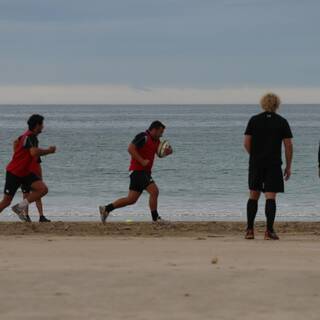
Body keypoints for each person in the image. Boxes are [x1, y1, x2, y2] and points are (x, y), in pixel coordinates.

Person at [99, 120, 173, 223]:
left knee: (131, 199)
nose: (161, 135)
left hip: (144, 172)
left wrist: (168, 152)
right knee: (154, 191)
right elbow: (130, 148)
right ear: (154, 130)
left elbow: (159, 153)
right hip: (138, 171)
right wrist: (142, 161)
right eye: (160, 132)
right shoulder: (143, 136)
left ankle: (106, 209)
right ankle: (155, 218)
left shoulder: (156, 141)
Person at [244, 93, 293, 240]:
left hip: (256, 163)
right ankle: (269, 231)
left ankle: (250, 230)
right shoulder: (282, 121)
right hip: (273, 163)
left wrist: (254, 156)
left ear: (263, 104)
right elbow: (288, 145)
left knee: (253, 195)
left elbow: (246, 143)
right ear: (277, 104)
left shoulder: (254, 120)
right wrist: (288, 166)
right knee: (270, 196)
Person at [0, 114, 56, 222]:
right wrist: (49, 151)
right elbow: (34, 152)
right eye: (42, 124)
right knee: (6, 201)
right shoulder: (30, 136)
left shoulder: (25, 136)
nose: (43, 127)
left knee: (43, 189)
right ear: (37, 125)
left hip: (25, 173)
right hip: (14, 172)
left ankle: (19, 207)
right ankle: (19, 208)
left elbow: (17, 143)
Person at [12, 137, 51, 222]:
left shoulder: (35, 154)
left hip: (34, 177)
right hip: (25, 177)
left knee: (37, 196)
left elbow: (38, 166)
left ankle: (41, 216)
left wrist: (40, 178)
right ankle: (27, 216)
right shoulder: (22, 154)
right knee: (26, 195)